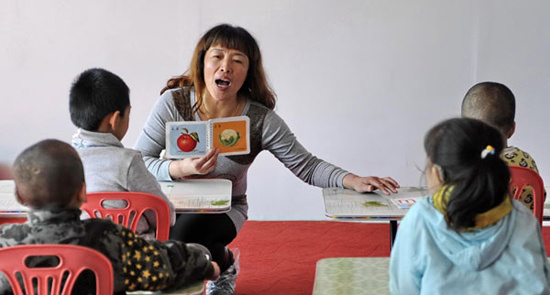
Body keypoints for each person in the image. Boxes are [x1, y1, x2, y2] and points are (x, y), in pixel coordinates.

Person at [134, 24, 399, 294]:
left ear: (248, 72)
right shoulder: (173, 103)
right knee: (160, 239)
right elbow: (140, 160)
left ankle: (213, 265)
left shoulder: (259, 121)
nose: (226, 66)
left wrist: (352, 180)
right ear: (202, 61)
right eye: (217, 56)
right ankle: (224, 260)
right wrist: (180, 167)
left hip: (226, 209)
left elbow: (306, 165)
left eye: (237, 60)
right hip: (172, 204)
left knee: (181, 239)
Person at [0, 139, 220, 294]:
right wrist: (204, 264)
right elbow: (161, 265)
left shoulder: (4, 243)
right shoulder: (106, 237)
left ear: (19, 196)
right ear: (82, 192)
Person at [389, 118, 550, 294]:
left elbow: (403, 289)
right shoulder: (521, 217)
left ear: (436, 173)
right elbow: (541, 284)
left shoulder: (419, 219)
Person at [70, 68, 176, 238]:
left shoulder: (63, 159)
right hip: (135, 257)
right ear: (114, 119)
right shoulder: (128, 161)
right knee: (201, 252)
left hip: (85, 256)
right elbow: (164, 216)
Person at [461, 81, 545, 210]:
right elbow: (539, 198)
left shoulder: (461, 164)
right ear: (512, 129)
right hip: (522, 230)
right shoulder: (526, 161)